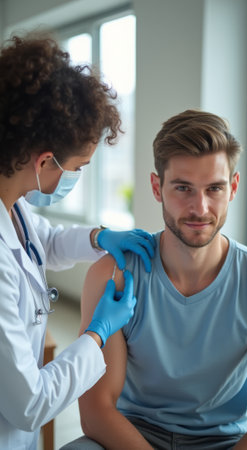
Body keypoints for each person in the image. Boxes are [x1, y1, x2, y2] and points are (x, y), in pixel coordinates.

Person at [63, 109, 247, 450]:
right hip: (131, 434)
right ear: (157, 187)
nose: (200, 208)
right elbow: (96, 411)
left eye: (214, 188)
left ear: (234, 187)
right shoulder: (114, 273)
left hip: (224, 442)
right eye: (183, 188)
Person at [0, 33, 156, 450]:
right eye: (78, 168)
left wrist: (99, 237)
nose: (76, 178)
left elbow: (43, 242)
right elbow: (29, 403)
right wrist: (98, 334)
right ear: (45, 161)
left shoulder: (12, 204)